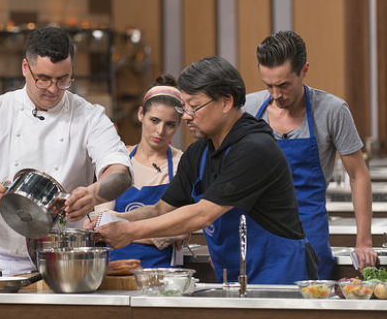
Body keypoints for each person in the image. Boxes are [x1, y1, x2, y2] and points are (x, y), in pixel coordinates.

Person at [95, 56, 318, 285]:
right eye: (184, 107)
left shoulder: (254, 148)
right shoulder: (199, 152)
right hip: (235, 276)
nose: (186, 116)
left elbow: (203, 214)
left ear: (225, 102)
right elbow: (161, 208)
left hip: (280, 275)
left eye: (194, 106)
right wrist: (113, 219)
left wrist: (130, 232)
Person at [0, 26, 133, 275]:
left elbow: (121, 172)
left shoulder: (90, 116)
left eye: (63, 80)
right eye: (43, 79)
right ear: (25, 68)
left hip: (63, 256)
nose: (53, 89)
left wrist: (93, 194)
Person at [243, 30, 376, 278]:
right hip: (258, 233)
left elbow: (359, 175)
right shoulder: (248, 109)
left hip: (308, 230)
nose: (275, 95)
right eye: (268, 85)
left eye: (284, 85)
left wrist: (364, 241)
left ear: (304, 71)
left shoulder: (332, 111)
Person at [95, 75, 186, 268]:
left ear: (179, 125)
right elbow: (101, 223)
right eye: (154, 120)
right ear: (140, 114)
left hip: (161, 273)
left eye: (170, 124)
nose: (160, 131)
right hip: (114, 269)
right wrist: (160, 231)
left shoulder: (183, 163)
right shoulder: (118, 161)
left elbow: (180, 229)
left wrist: (121, 229)